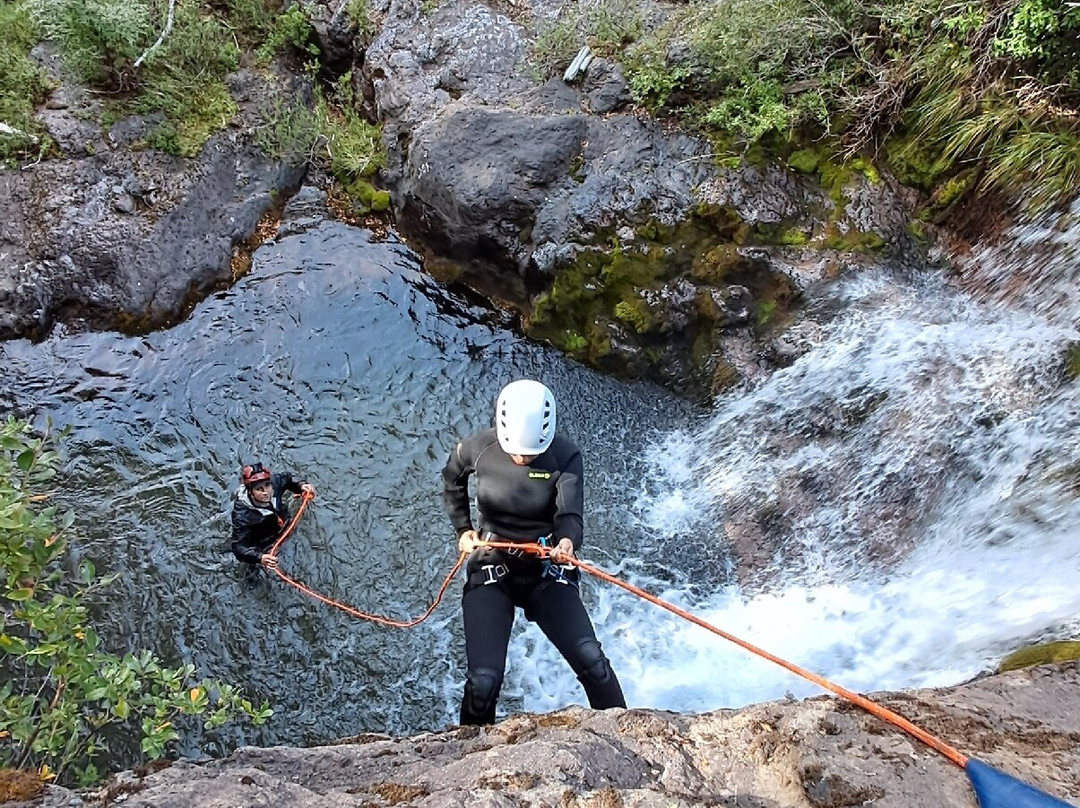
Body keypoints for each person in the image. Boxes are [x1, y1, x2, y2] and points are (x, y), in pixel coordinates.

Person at [441, 379, 626, 725]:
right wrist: (463, 529)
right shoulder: (477, 447)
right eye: (516, 451)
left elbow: (570, 514)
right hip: (493, 569)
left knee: (594, 664)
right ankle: (466, 761)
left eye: (530, 453)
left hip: (546, 570)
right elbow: (452, 479)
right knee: (483, 683)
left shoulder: (565, 455)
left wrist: (567, 543)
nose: (522, 458)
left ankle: (625, 735)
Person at [231, 462, 315, 571]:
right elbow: (239, 547)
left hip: (284, 526)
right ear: (250, 492)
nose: (266, 492)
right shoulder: (242, 516)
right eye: (259, 489)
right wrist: (259, 557)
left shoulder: (274, 483)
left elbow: (288, 479)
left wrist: (301, 486)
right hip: (263, 543)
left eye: (267, 485)